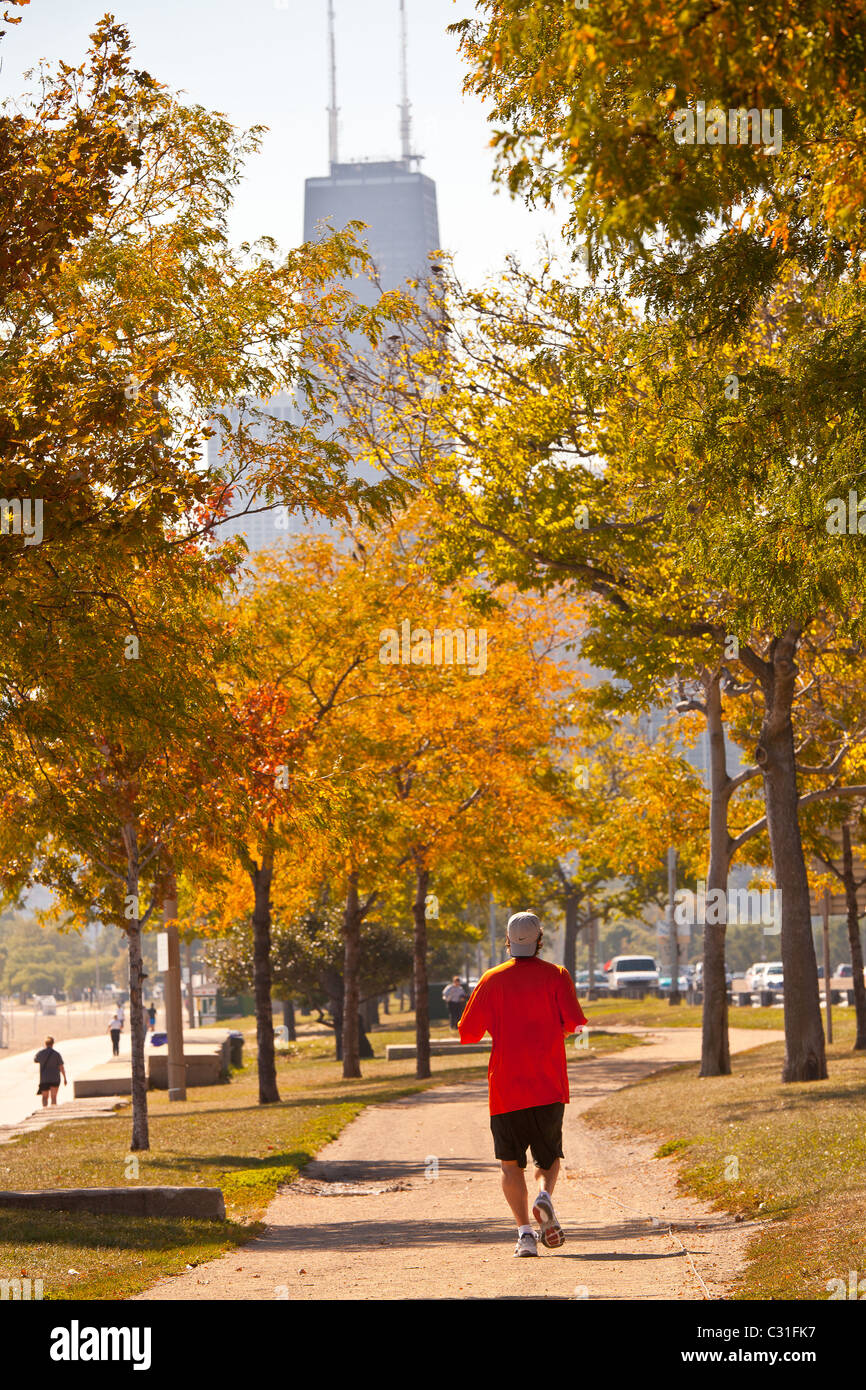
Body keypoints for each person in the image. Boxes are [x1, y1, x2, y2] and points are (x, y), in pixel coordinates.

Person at [458, 910, 587, 1258]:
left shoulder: (491, 979)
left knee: (510, 1164)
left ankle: (525, 1236)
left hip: (506, 1088)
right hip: (548, 1084)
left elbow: (467, 1034)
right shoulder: (557, 975)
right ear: (540, 939)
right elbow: (575, 1025)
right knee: (549, 1159)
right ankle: (544, 1197)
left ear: (508, 941)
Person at [34, 1036, 67, 1107]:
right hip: (55, 1078)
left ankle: (44, 1110)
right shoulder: (57, 1054)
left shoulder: (40, 1053)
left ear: (45, 1043)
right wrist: (65, 1078)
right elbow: (61, 1067)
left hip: (44, 1079)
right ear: (53, 1043)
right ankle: (53, 1111)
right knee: (54, 1097)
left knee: (45, 1097)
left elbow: (35, 1060)